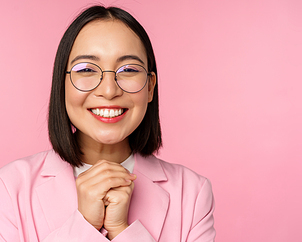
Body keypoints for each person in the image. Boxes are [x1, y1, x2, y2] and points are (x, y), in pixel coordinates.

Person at [0, 5, 215, 241]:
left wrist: (122, 230)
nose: (109, 90)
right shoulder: (9, 188)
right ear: (62, 84)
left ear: (150, 86)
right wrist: (84, 226)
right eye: (87, 69)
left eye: (129, 69)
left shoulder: (192, 193)